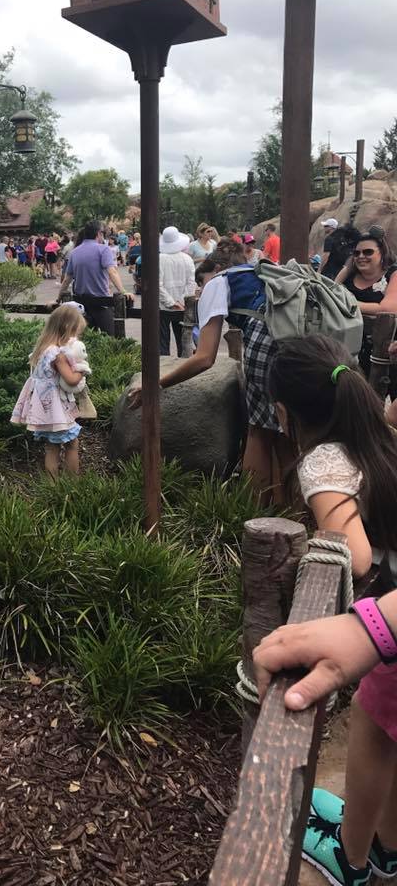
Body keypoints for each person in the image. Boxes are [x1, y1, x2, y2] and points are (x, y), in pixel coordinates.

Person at [266, 335, 397, 886]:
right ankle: (388, 846)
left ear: (284, 411)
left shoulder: (324, 460)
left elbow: (357, 554)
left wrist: (322, 546)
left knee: (374, 726)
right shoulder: (379, 436)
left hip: (387, 627)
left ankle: (352, 858)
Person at [130, 238, 291, 500]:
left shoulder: (219, 282)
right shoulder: (261, 273)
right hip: (302, 346)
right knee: (286, 434)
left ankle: (256, 508)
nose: (200, 289)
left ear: (216, 269)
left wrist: (158, 383)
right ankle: (292, 511)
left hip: (268, 344)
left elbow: (205, 357)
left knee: (259, 432)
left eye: (201, 282)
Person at [11, 304, 89, 478]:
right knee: (72, 443)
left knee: (52, 447)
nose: (76, 338)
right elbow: (71, 379)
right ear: (67, 328)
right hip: (56, 410)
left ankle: (51, 485)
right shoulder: (58, 354)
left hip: (43, 408)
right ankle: (72, 483)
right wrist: (82, 369)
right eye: (75, 333)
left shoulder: (43, 349)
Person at [336, 232, 397, 397]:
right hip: (349, 350)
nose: (361, 256)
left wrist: (348, 304)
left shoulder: (393, 274)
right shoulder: (349, 276)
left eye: (368, 252)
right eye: (356, 253)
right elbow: (331, 294)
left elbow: (388, 309)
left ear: (382, 253)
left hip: (385, 353)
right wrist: (346, 269)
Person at [60, 221, 132, 336]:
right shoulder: (103, 250)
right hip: (101, 302)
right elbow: (112, 272)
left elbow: (67, 279)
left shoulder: (75, 252)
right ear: (99, 233)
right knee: (110, 338)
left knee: (85, 340)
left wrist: (58, 298)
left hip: (81, 304)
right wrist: (123, 291)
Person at [159, 226, 197, 356]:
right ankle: (183, 366)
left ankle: (164, 366)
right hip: (183, 306)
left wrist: (170, 302)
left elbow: (158, 285)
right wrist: (182, 301)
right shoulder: (187, 259)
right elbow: (191, 283)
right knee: (183, 343)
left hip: (162, 307)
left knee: (162, 343)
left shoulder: (159, 259)